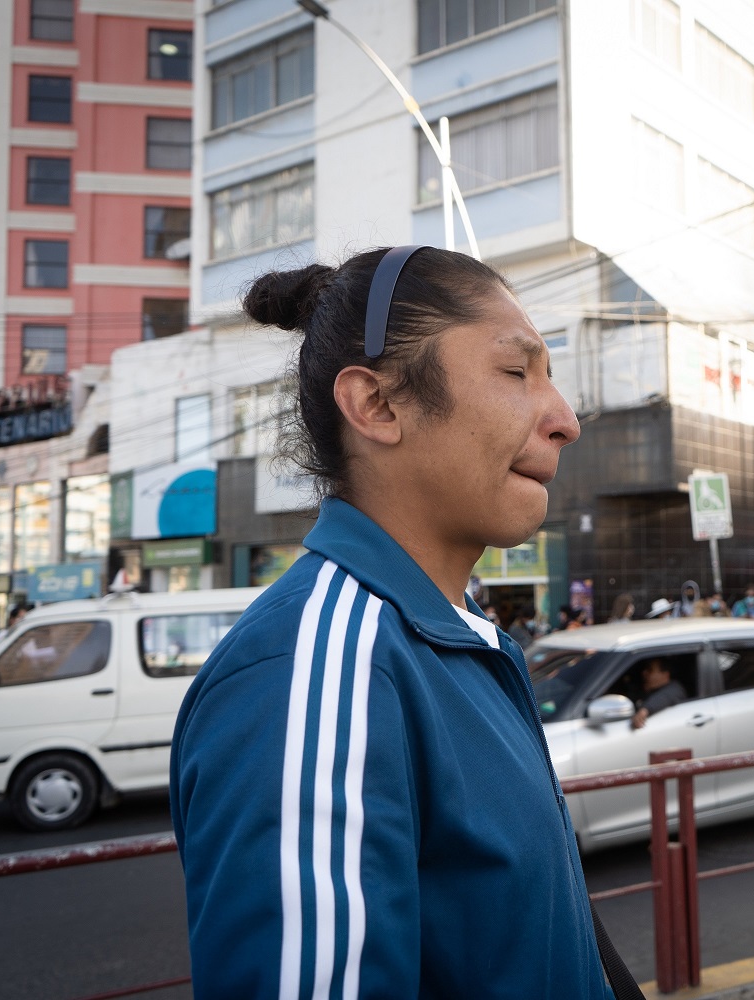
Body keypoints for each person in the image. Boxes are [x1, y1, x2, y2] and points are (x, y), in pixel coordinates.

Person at [169, 246, 613, 997]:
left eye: (553, 374)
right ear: (376, 405)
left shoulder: (459, 639)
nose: (564, 418)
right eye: (516, 372)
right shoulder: (311, 668)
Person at [631, 658, 687, 729]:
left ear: (665, 675)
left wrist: (644, 710)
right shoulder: (646, 688)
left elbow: (665, 696)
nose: (644, 673)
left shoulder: (675, 689)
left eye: (650, 670)